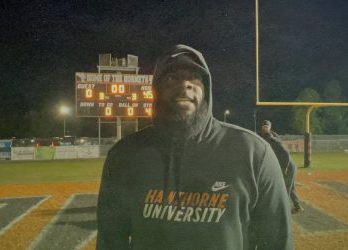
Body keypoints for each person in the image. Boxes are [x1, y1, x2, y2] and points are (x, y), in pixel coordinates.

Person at [97, 45, 293, 250]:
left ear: (206, 90)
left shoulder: (253, 152)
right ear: (156, 89)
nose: (185, 84)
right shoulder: (124, 155)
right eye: (172, 78)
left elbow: (277, 241)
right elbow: (110, 240)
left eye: (195, 77)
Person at [259, 120, 304, 214]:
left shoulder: (273, 139)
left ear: (270, 127)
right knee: (290, 187)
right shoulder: (264, 137)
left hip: (288, 167)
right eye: (264, 127)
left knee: (284, 188)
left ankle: (283, 211)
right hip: (286, 166)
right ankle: (298, 206)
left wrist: (285, 167)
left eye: (267, 127)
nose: (265, 128)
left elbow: (286, 153)